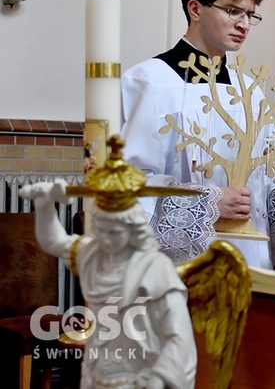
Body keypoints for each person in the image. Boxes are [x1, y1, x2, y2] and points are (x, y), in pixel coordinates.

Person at [121, 0, 275, 271]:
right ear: (195, 8)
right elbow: (128, 186)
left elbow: (262, 186)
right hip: (184, 268)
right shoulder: (149, 82)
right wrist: (208, 202)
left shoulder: (250, 90)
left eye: (250, 14)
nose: (244, 24)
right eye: (233, 11)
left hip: (251, 262)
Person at [20, 140, 197, 389]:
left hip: (140, 377)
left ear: (133, 229)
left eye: (115, 232)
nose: (108, 240)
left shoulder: (156, 270)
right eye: (102, 231)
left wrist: (160, 379)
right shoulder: (94, 254)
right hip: (97, 371)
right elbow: (54, 241)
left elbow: (178, 336)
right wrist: (44, 204)